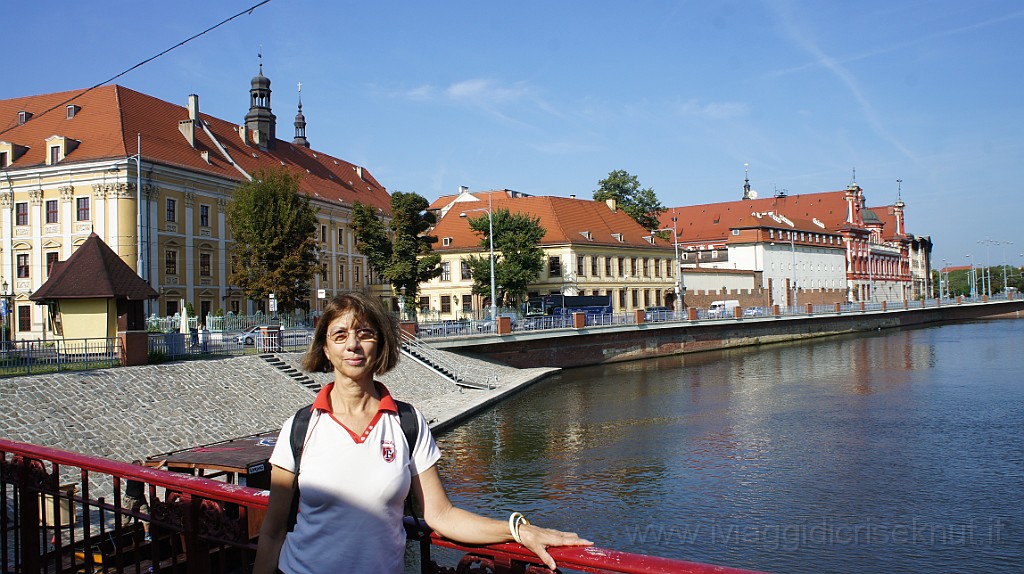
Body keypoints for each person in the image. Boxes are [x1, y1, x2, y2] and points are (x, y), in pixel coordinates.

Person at [254, 292, 590, 574]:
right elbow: (271, 533)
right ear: (325, 349)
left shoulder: (406, 422)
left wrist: (516, 530)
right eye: (340, 335)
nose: (353, 345)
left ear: (379, 344)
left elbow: (441, 514)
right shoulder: (301, 427)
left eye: (365, 334)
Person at [122, 460, 151, 541]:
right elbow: (148, 471)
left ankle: (147, 535)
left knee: (146, 516)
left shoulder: (138, 471)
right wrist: (159, 465)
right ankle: (117, 536)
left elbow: (145, 468)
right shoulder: (134, 474)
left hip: (140, 498)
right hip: (130, 499)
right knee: (125, 520)